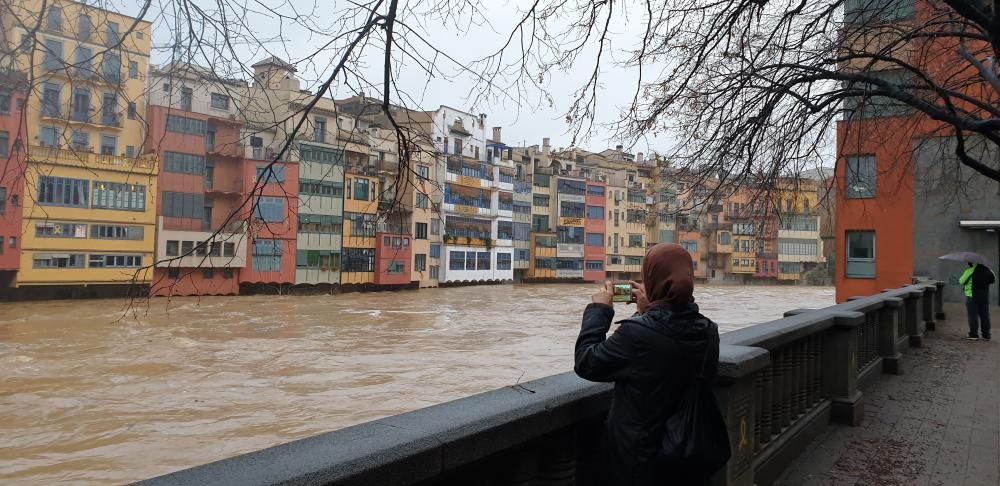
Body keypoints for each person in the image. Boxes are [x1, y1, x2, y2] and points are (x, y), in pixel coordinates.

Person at [574, 243, 721, 486]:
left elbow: (587, 362)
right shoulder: (707, 330)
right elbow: (662, 343)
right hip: (688, 453)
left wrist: (599, 309)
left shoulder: (637, 334)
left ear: (651, 279)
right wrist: (649, 310)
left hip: (640, 459)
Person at [959, 262, 995, 340]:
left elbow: (961, 281)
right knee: (985, 316)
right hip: (984, 297)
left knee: (973, 316)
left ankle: (973, 334)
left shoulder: (970, 271)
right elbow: (993, 280)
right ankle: (986, 335)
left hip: (972, 296)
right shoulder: (989, 270)